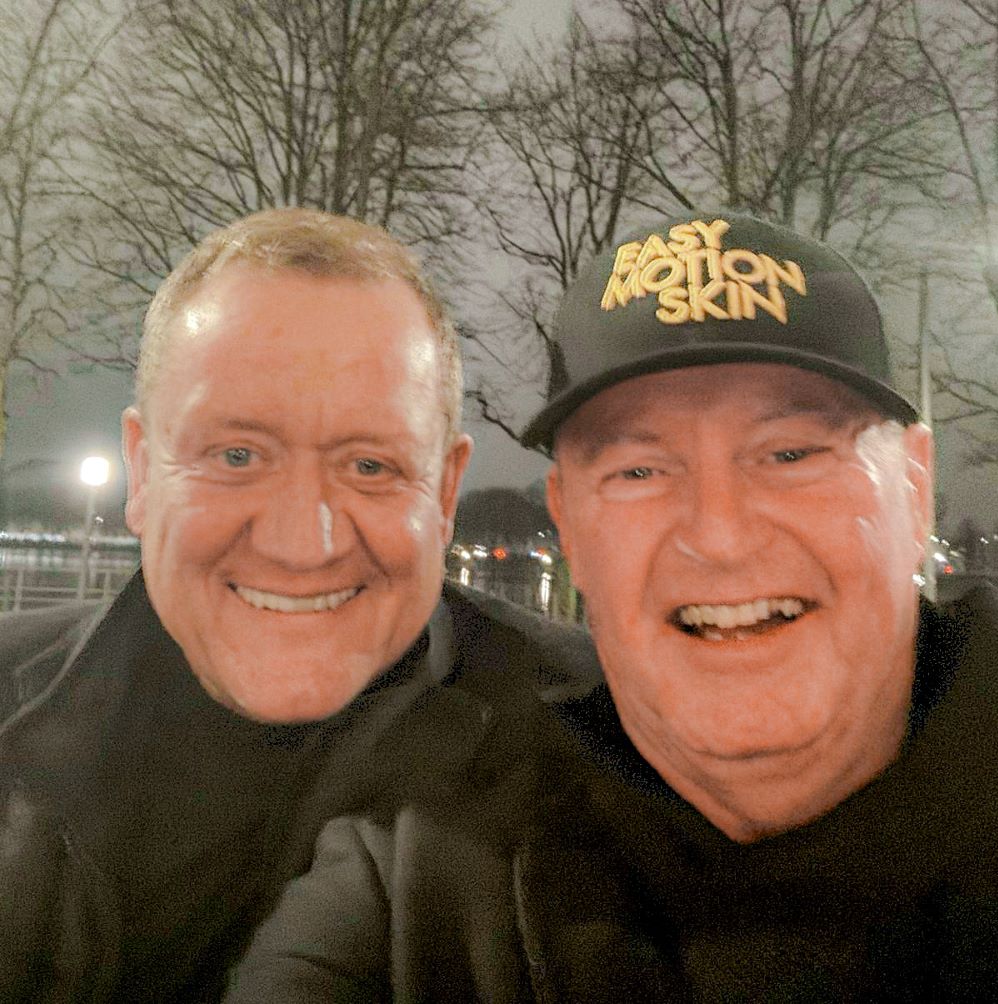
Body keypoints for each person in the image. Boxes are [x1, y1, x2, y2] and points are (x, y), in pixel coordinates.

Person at [228, 213, 998, 1001]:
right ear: (567, 521)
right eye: (638, 471)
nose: (720, 535)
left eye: (792, 452)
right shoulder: (416, 890)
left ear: (915, 489)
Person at [0, 208, 598, 1002]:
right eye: (237, 455)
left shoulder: (602, 740)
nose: (301, 544)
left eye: (370, 466)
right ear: (141, 472)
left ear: (445, 492)